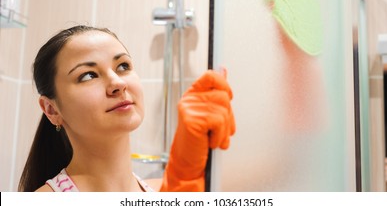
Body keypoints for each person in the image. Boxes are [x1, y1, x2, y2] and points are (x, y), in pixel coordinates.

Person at [18, 25, 235, 192]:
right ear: (51, 109)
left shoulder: (162, 189)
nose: (118, 83)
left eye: (123, 66)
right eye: (88, 75)